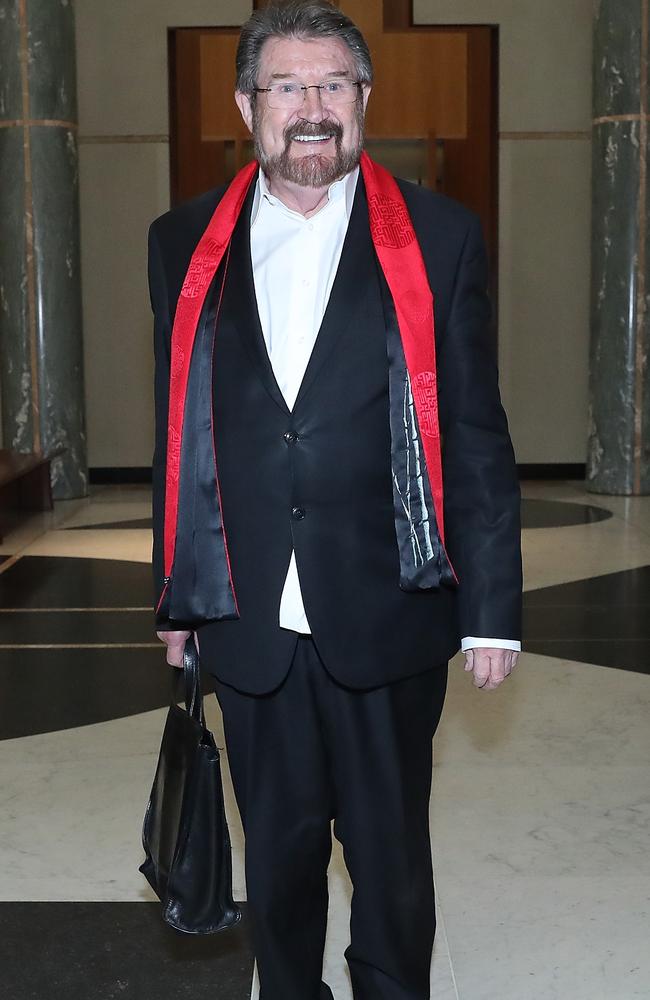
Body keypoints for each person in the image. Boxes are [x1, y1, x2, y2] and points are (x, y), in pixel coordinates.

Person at [149, 2, 522, 998]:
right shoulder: (180, 241)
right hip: (247, 612)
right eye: (286, 86)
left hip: (387, 606)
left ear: (363, 99)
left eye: (331, 86)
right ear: (246, 104)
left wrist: (491, 606)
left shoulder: (439, 237)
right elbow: (180, 428)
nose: (310, 107)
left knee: (390, 860)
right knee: (274, 859)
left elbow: (477, 431)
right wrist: (175, 592)